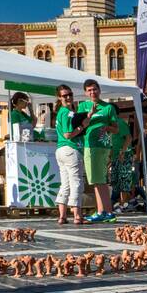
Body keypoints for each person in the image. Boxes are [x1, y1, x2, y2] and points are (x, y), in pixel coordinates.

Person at [77, 79, 116, 222]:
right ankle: (105, 212)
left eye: (95, 89)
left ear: (99, 90)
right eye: (89, 90)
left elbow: (116, 128)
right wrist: (90, 114)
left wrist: (107, 128)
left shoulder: (108, 107)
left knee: (99, 179)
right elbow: (80, 126)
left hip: (102, 146)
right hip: (89, 145)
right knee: (96, 180)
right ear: (85, 93)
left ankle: (104, 211)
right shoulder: (82, 106)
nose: (92, 92)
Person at [53, 85, 85, 225]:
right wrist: (83, 126)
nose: (68, 97)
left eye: (70, 94)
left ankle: (62, 216)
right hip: (71, 149)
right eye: (64, 95)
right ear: (59, 98)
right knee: (76, 182)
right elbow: (68, 134)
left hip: (60, 150)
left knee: (65, 183)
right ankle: (77, 216)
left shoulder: (62, 111)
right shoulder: (66, 112)